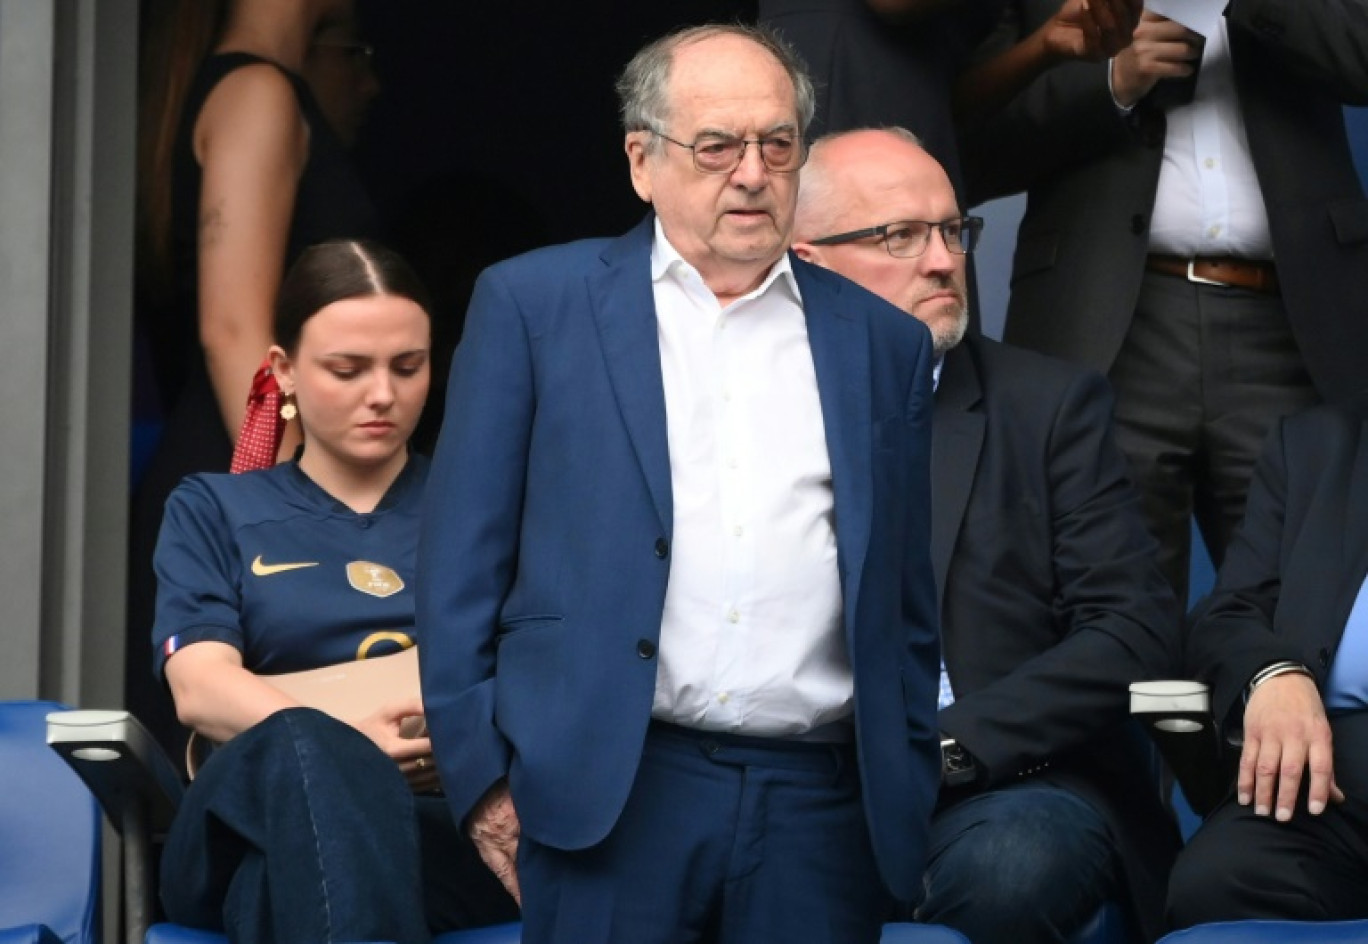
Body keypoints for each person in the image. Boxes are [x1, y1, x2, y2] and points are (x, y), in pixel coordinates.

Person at [417, 24, 941, 944]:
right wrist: (484, 779)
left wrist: (900, 775)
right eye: (716, 146)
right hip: (610, 792)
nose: (751, 172)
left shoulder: (882, 342)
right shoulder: (535, 306)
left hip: (816, 806)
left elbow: (902, 596)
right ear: (641, 161)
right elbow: (461, 564)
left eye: (777, 144)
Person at [792, 128, 1182, 943]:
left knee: (1007, 866)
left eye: (951, 229)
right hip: (795, 777)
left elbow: (1133, 634)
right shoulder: (744, 416)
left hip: (1003, 782)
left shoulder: (1048, 406)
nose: (943, 260)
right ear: (805, 262)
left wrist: (945, 748)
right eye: (899, 235)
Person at [150, 240, 517, 944]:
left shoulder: (486, 507)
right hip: (240, 814)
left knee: (278, 886)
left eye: (408, 367)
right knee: (301, 750)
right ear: (283, 371)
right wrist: (349, 747)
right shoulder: (214, 508)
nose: (382, 393)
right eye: (347, 370)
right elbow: (199, 688)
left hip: (436, 823)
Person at [961, 0, 1368, 606]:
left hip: (1293, 323)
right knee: (1111, 609)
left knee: (1300, 608)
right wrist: (1110, 84)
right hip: (1107, 324)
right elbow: (973, 147)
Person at [130, 0, 383, 755]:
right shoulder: (256, 93)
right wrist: (298, 509)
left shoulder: (244, 87)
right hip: (252, 473)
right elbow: (234, 331)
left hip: (246, 474)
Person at [1167, 393, 1368, 927]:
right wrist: (1274, 673)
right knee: (1215, 883)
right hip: (1331, 777)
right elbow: (1228, 612)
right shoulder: (1316, 445)